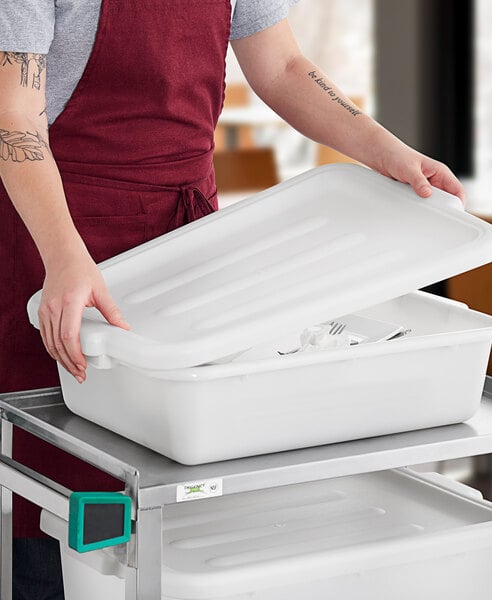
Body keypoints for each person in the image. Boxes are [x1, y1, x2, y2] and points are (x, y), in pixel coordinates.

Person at [0, 1, 466, 598]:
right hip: (61, 233)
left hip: (183, 240)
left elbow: (284, 67)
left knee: (176, 450)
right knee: (61, 458)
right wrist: (64, 255)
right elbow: (15, 117)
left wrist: (387, 152)